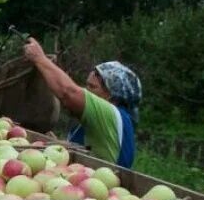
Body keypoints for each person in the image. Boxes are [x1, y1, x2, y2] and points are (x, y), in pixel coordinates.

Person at [23, 37, 140, 168]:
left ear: (113, 96)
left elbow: (68, 92)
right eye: (87, 86)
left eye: (92, 87)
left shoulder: (113, 115)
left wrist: (39, 58)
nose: (86, 92)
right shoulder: (95, 125)